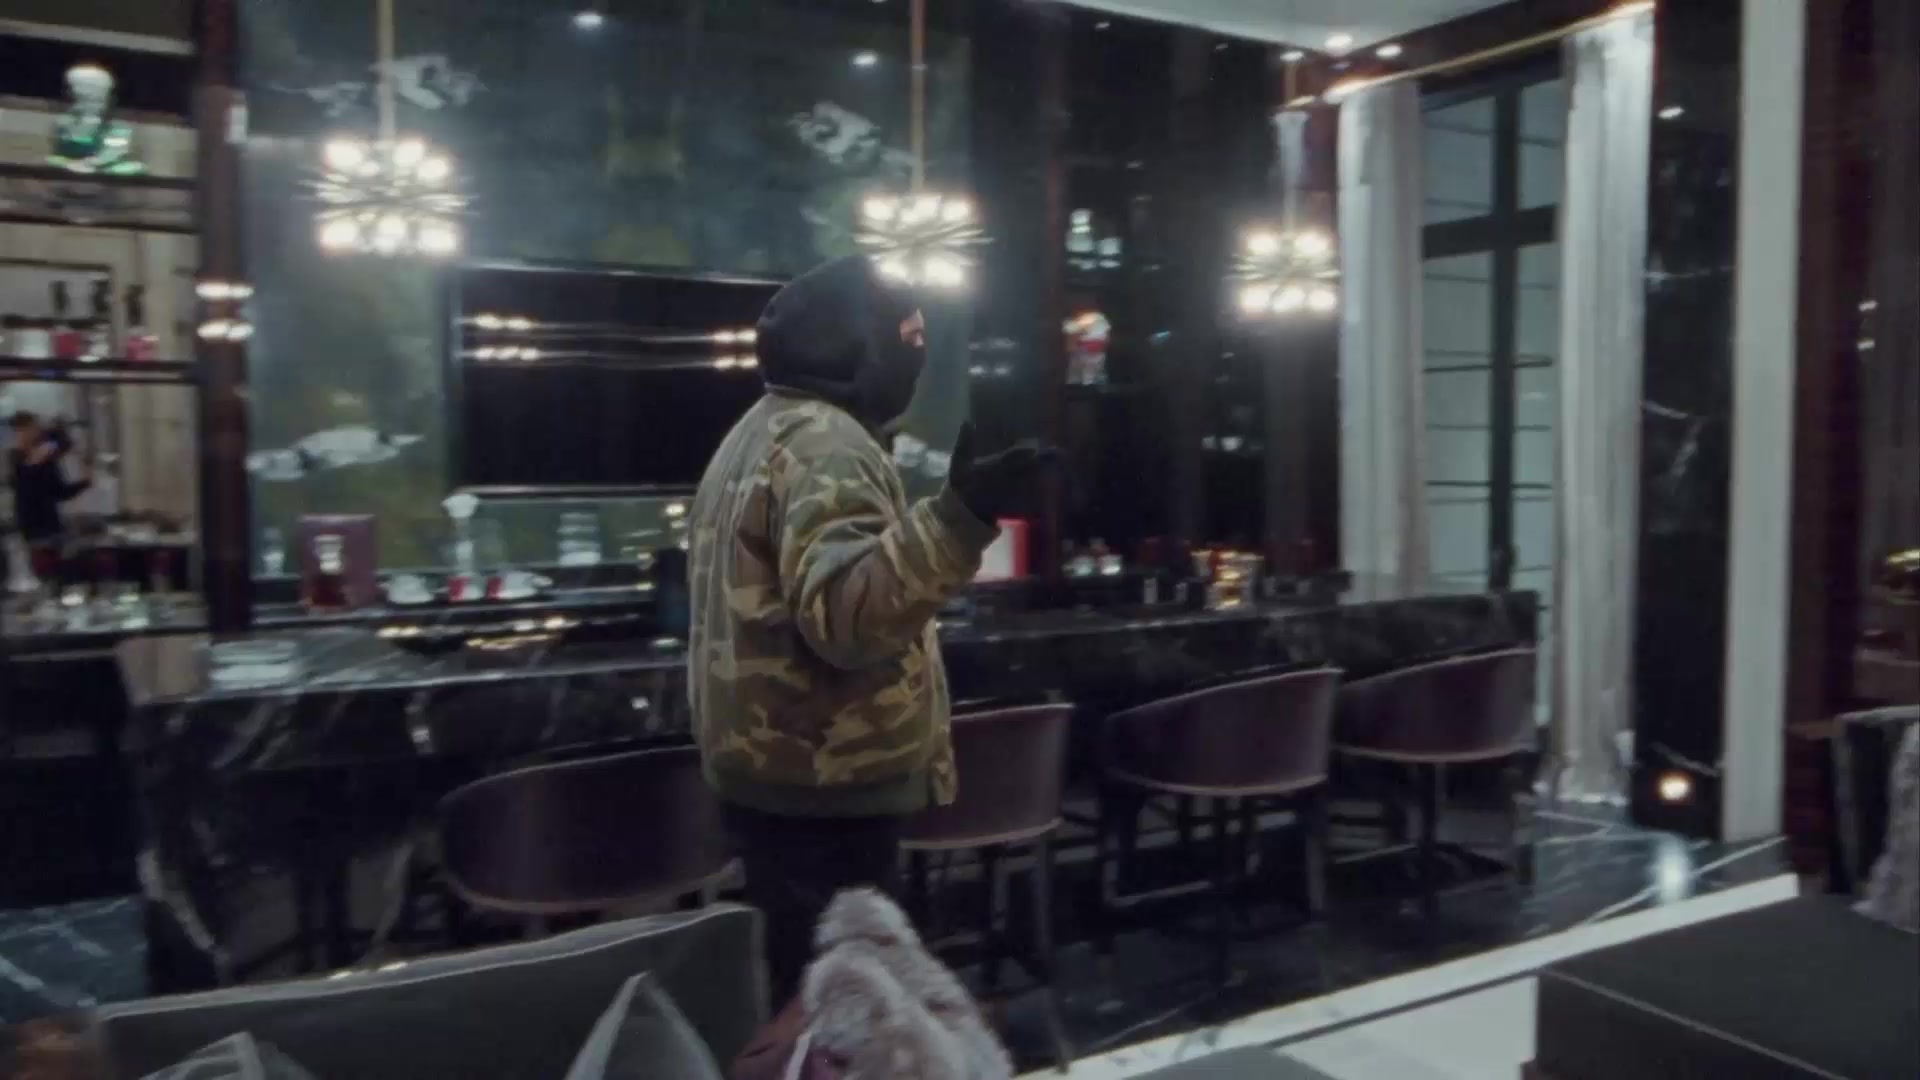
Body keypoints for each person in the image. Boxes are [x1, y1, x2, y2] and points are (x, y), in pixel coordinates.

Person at [688, 254, 1055, 1002]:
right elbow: (849, 621)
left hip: (777, 776)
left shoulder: (762, 428)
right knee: (848, 1013)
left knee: (803, 998)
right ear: (854, 344)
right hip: (826, 783)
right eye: (906, 337)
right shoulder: (830, 443)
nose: (917, 358)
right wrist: (959, 518)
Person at [8, 411, 90, 560]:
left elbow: (60, 492)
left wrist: (84, 483)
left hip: (52, 525)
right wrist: (51, 440)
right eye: (25, 430)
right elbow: (31, 466)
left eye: (34, 428)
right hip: (33, 528)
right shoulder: (16, 457)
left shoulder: (46, 459)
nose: (33, 432)